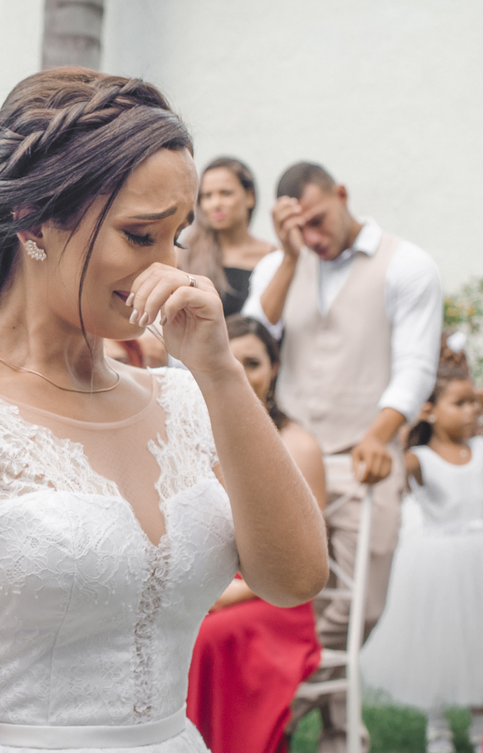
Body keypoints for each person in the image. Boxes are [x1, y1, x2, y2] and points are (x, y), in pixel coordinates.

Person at [0, 68, 328, 753]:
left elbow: (294, 578)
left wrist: (220, 371)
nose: (167, 266)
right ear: (34, 223)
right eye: (141, 236)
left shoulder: (183, 400)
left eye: (180, 235)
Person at [242, 161, 442, 753]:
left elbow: (416, 367)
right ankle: (336, 733)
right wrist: (289, 254)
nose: (313, 236)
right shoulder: (282, 263)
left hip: (365, 454)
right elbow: (257, 331)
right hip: (292, 455)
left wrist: (381, 436)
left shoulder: (408, 264)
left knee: (361, 602)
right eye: (297, 227)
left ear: (342, 195)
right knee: (285, 589)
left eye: (319, 221)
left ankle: (277, 708)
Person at [186, 315, 327, 753]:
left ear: (274, 369)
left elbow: (303, 555)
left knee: (207, 637)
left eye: (253, 362)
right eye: (230, 360)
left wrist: (232, 593)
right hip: (209, 585)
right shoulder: (193, 434)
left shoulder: (298, 444)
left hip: (274, 598)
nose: (241, 373)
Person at [360, 364, 483, 753]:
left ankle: (480, 724)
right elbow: (390, 465)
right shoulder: (419, 459)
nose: (470, 411)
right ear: (428, 410)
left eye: (474, 402)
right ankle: (438, 727)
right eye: (459, 403)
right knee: (441, 644)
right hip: (441, 569)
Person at [177, 157, 274, 316]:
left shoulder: (272, 257)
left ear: (250, 197)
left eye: (226, 193)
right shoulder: (184, 255)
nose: (216, 203)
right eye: (207, 196)